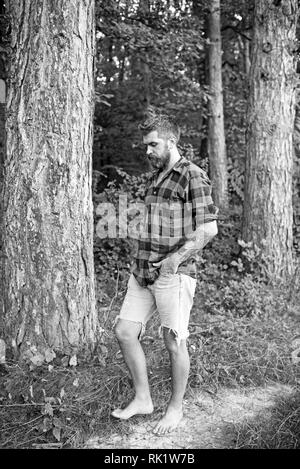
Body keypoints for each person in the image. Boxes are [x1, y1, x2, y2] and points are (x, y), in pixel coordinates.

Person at [112, 108, 218, 435]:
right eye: (146, 145)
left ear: (171, 142)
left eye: (153, 144)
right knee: (125, 331)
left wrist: (175, 259)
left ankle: (175, 408)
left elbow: (209, 229)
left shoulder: (192, 175)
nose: (147, 151)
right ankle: (143, 398)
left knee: (173, 341)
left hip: (173, 273)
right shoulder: (156, 175)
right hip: (143, 271)